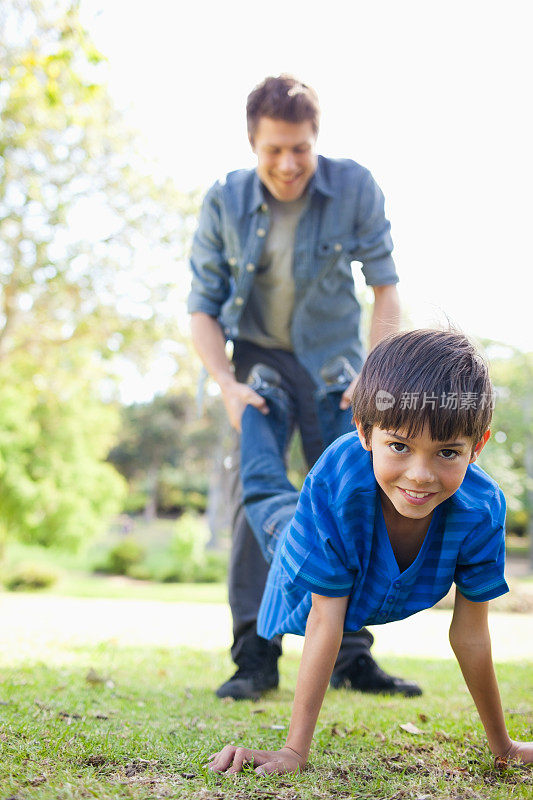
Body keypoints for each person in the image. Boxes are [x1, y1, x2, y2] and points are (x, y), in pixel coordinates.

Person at [208, 329, 533, 775]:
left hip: (358, 491)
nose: (420, 476)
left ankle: (339, 392)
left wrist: (504, 746)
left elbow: (471, 633)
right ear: (366, 432)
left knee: (374, 459)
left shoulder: (481, 509)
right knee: (265, 490)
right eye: (400, 445)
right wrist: (295, 752)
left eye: (447, 452)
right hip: (300, 531)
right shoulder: (336, 485)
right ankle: (265, 402)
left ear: (477, 447)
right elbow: (326, 619)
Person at [188, 74, 420, 701]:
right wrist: (228, 386)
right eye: (274, 150)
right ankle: (254, 658)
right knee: (253, 499)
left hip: (337, 368)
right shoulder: (224, 201)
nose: (289, 164)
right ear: (252, 144)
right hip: (259, 363)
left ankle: (350, 656)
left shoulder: (354, 187)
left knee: (351, 495)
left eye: (301, 148)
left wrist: (377, 376)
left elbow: (385, 286)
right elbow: (202, 309)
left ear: (316, 140)